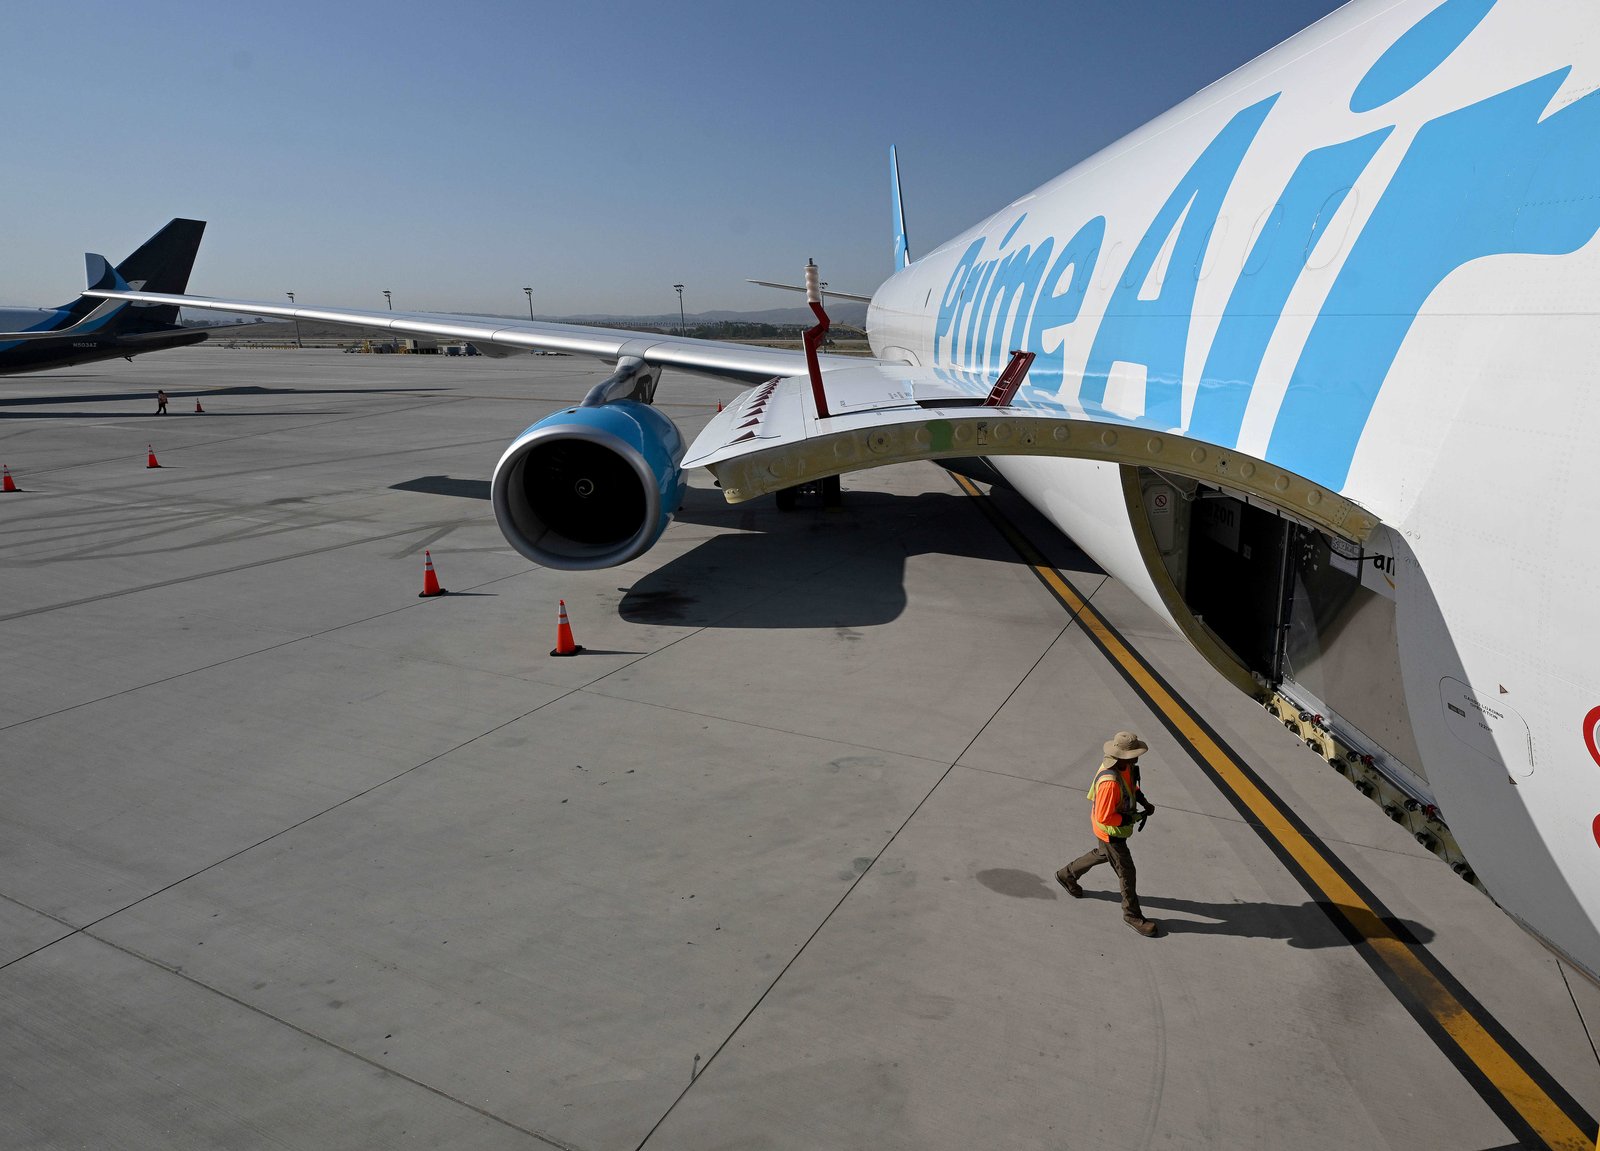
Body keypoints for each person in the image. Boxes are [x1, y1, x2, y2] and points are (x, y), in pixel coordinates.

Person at [1057, 731, 1160, 937]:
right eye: (1134, 754)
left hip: (1110, 831)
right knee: (1127, 872)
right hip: (1111, 832)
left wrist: (1144, 802)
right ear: (1123, 756)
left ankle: (1066, 875)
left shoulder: (1125, 766)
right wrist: (1132, 819)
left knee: (1102, 854)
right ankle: (1131, 915)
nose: (1137, 757)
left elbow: (1132, 787)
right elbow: (1105, 817)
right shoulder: (1110, 783)